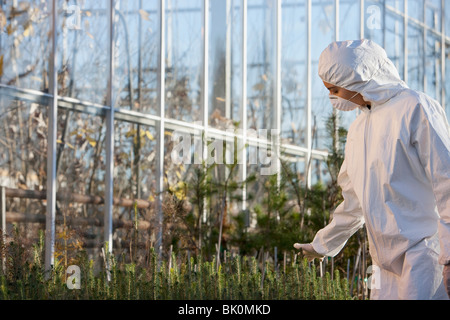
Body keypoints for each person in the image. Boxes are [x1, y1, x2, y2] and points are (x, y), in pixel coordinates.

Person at [294, 39, 450, 300]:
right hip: (383, 263)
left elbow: (446, 182)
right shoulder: (358, 128)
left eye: (335, 89)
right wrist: (323, 244)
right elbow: (354, 202)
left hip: (424, 256)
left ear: (359, 79)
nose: (333, 97)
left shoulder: (415, 107)